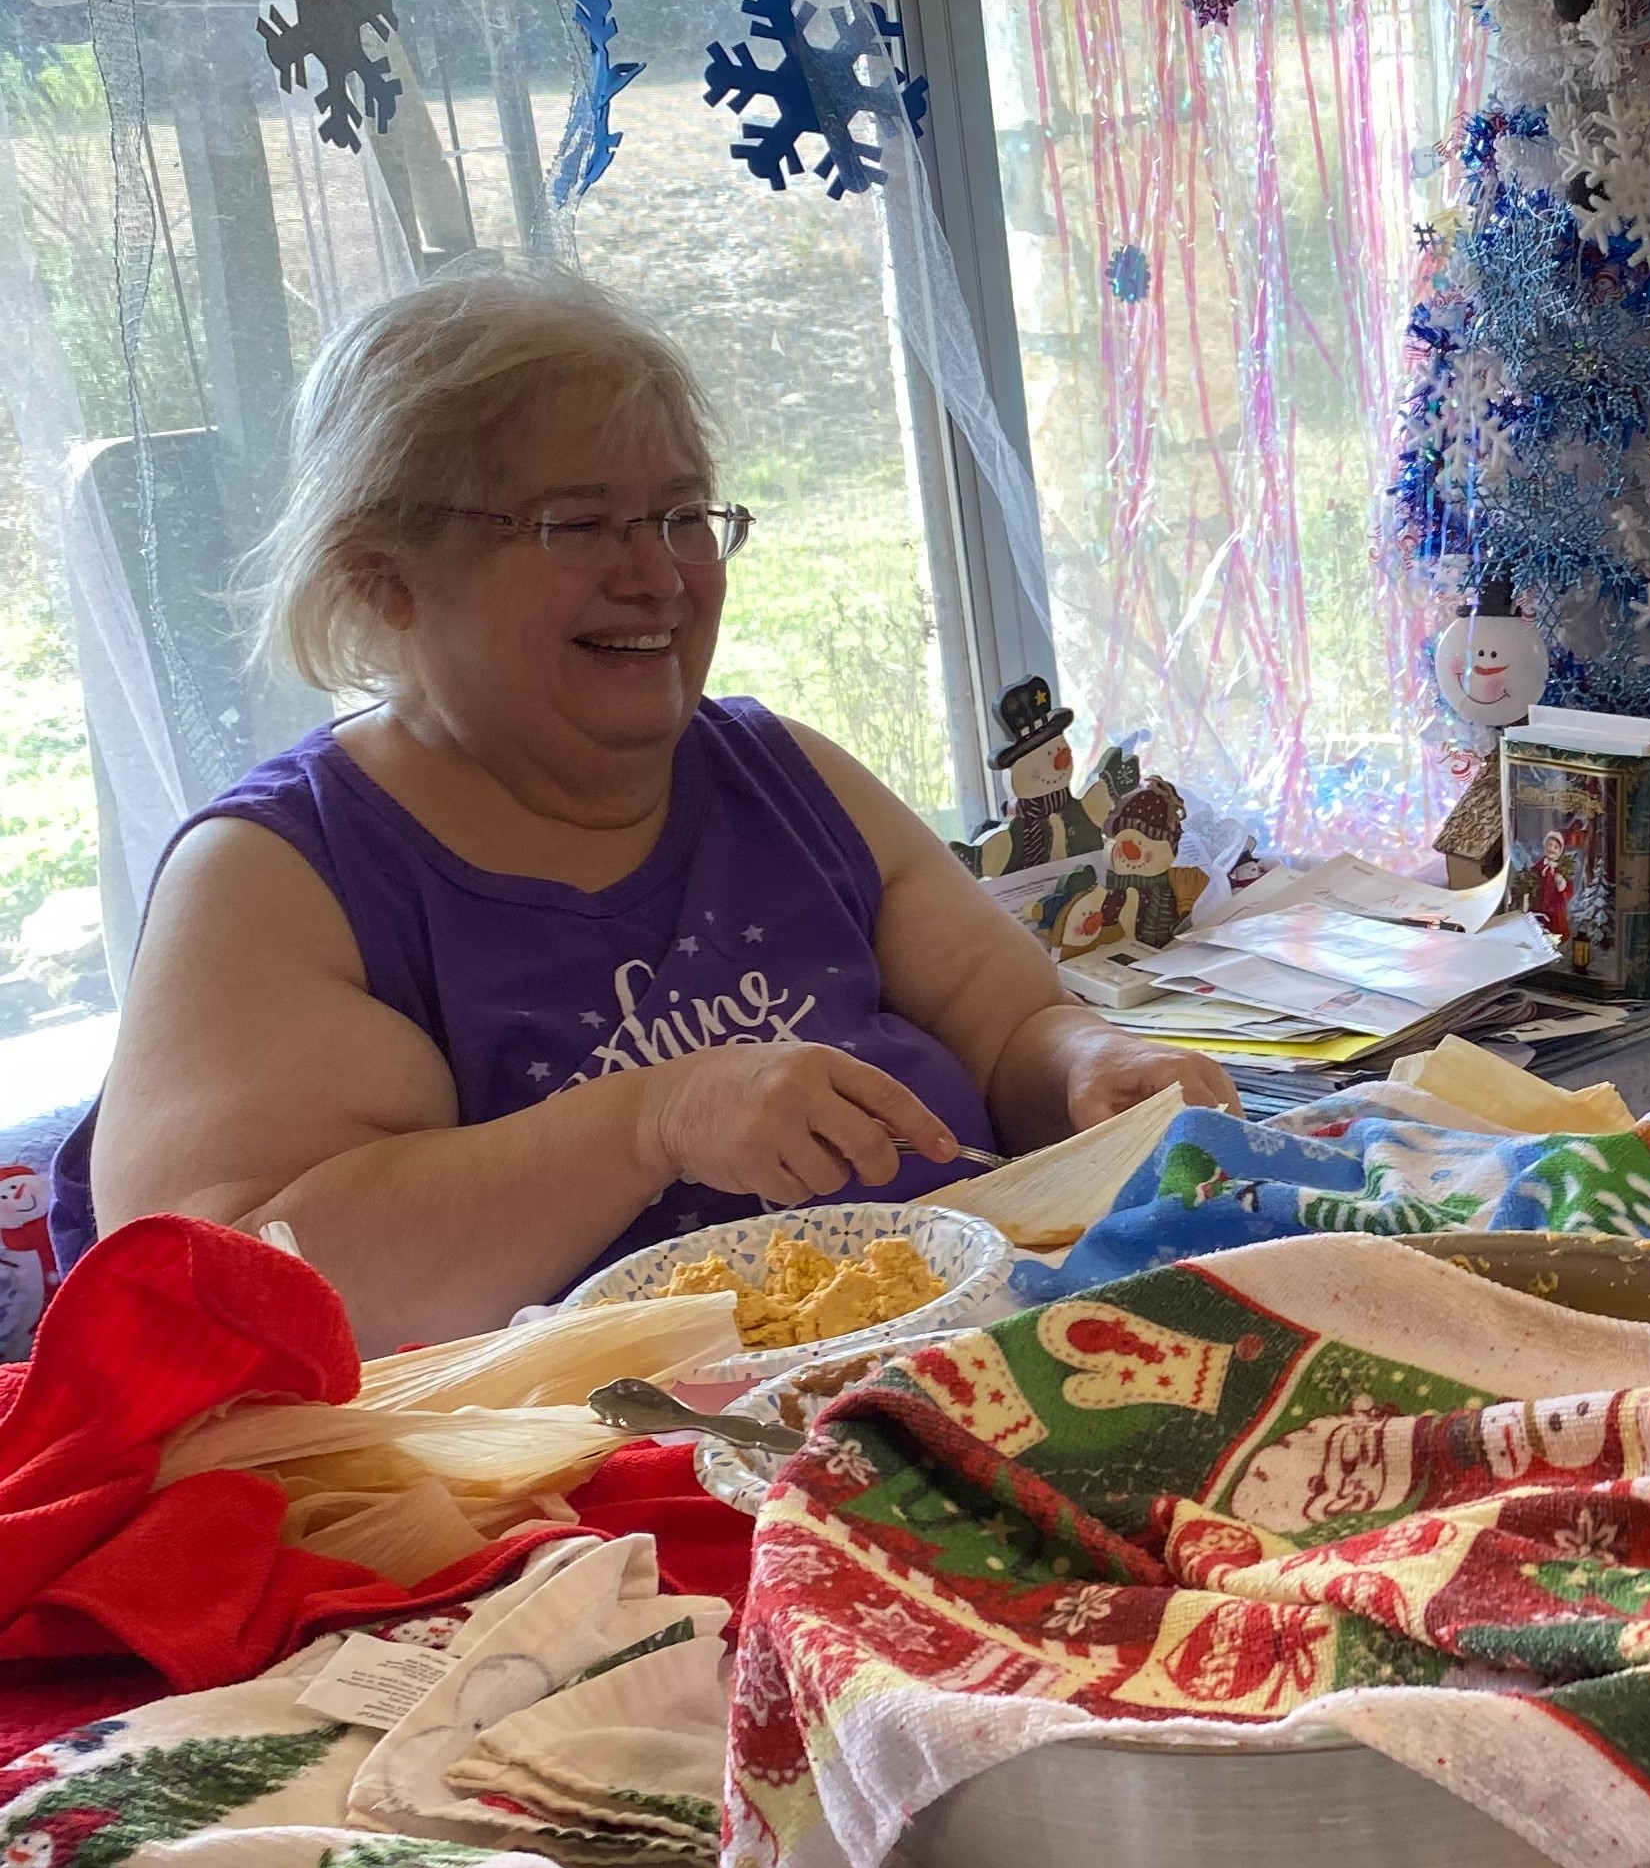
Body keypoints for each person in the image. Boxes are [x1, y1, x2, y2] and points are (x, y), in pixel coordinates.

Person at [69, 268, 1235, 1352]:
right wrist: (654, 1122)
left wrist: (1093, 1066)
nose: (661, 575)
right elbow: (216, 1299)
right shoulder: (279, 877)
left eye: (683, 515)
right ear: (385, 580)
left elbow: (1009, 1028)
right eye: (579, 525)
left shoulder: (783, 774)